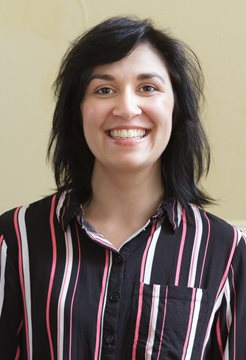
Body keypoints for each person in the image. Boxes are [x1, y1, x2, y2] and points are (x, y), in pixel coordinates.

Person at [0, 16, 245, 360]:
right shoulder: (16, 237)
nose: (127, 108)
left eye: (148, 88)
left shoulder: (227, 251)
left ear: (176, 109)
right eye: (104, 89)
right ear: (78, 111)